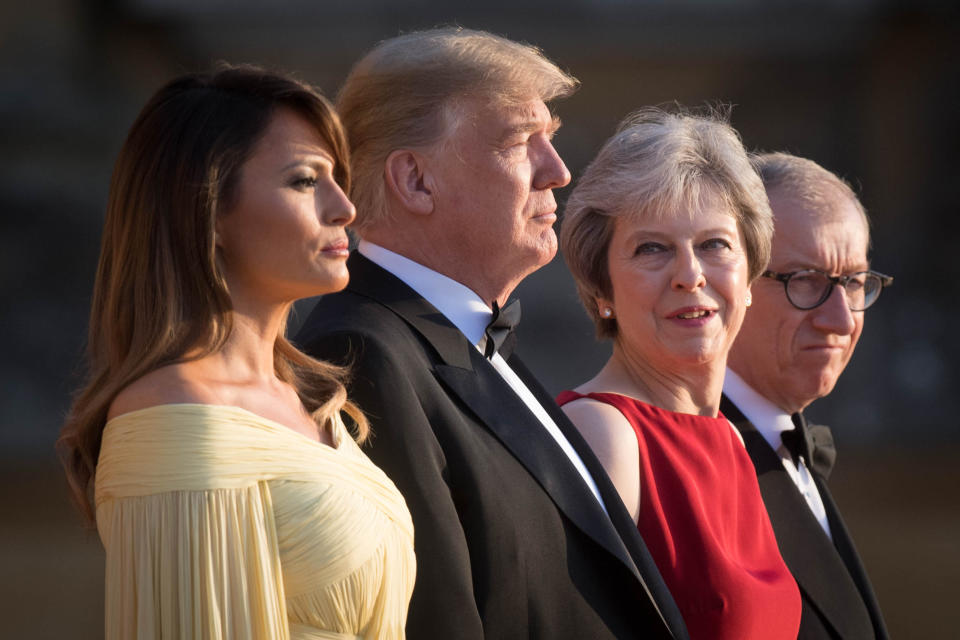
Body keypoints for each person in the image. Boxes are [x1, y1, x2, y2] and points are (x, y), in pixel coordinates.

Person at [296, 28, 687, 640]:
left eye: (550, 140)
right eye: (519, 143)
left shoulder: (470, 335)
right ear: (416, 181)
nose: (557, 172)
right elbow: (436, 617)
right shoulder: (361, 354)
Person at [56, 65, 415, 640]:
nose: (345, 208)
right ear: (209, 211)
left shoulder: (308, 402)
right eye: (304, 180)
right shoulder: (176, 416)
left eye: (338, 179)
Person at [557, 107, 801, 640]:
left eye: (714, 245)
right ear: (602, 292)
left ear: (751, 273)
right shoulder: (603, 434)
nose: (690, 276)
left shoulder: (732, 438)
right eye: (652, 249)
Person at [722, 152, 891, 639]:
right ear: (729, 282)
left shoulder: (781, 439)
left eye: (855, 282)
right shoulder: (684, 458)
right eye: (805, 281)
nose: (841, 320)